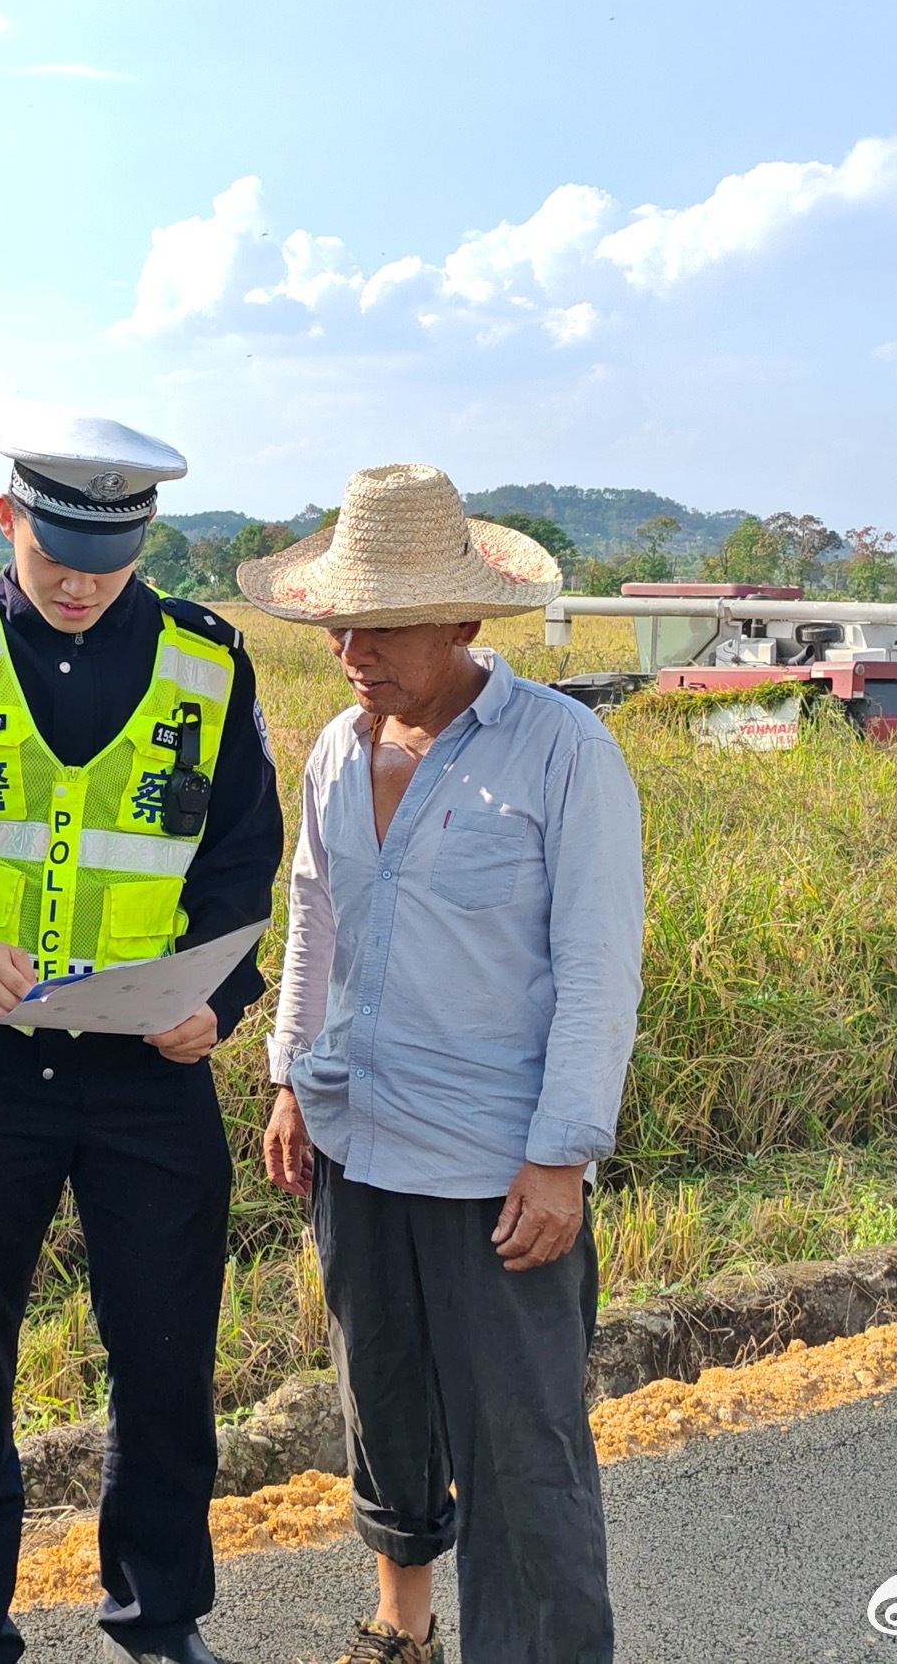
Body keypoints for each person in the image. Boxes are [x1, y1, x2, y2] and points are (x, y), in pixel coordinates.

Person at [0, 417, 284, 1664]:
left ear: (146, 537)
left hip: (152, 1067)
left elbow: (243, 859)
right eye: (57, 548)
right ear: (8, 519)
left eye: (108, 553)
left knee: (165, 1345)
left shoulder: (209, 663)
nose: (79, 578)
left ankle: (159, 1613)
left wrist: (227, 996)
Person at [239, 463, 643, 1664]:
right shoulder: (333, 752)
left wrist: (559, 1155)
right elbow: (312, 917)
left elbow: (598, 968)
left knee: (524, 1456)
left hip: (491, 1171)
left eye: (381, 624)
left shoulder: (559, 753)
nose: (351, 650)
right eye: (337, 624)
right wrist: (287, 1075)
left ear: (466, 620)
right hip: (355, 1145)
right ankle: (401, 1626)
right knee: (388, 1407)